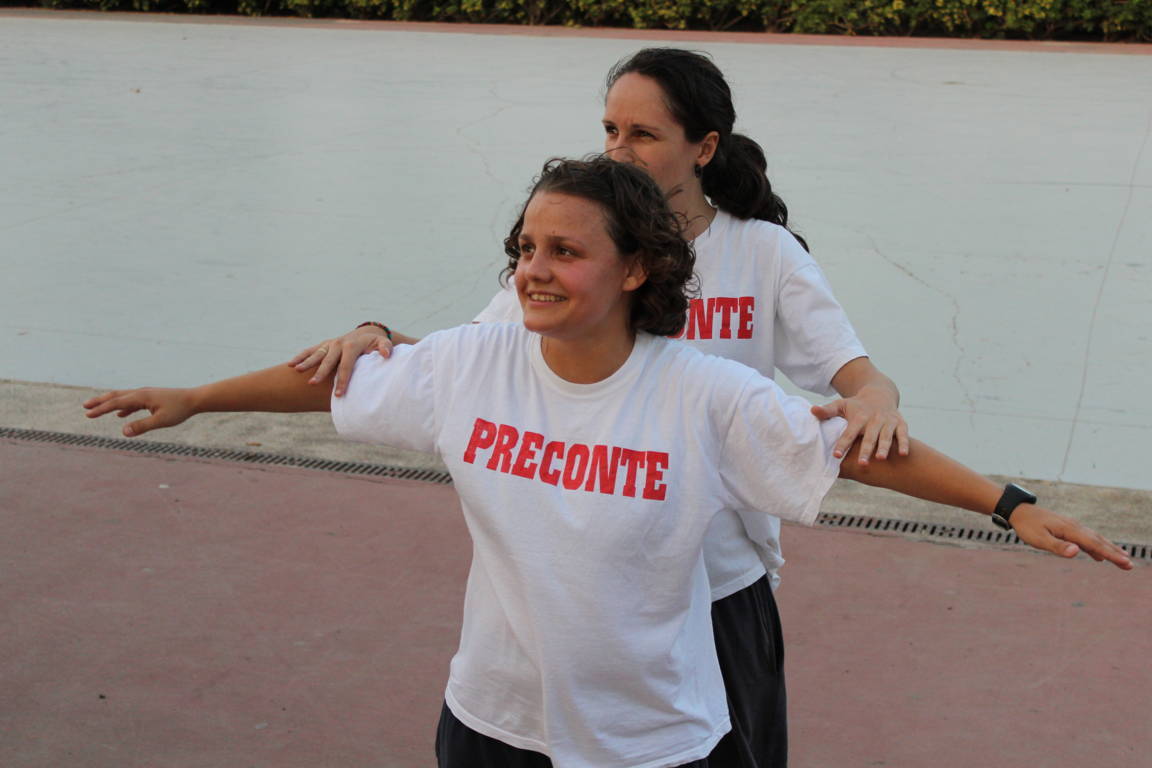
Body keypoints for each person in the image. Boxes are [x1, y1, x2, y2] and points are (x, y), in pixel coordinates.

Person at [85, 157, 1132, 768]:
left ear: (635, 269)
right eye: (526, 248)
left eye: (566, 251)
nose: (534, 271)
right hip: (492, 722)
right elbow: (335, 382)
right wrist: (196, 398)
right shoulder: (473, 362)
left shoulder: (702, 394)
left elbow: (855, 454)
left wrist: (1009, 504)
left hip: (652, 741)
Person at [290, 47, 905, 766]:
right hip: (611, 595)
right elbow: (475, 359)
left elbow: (861, 379)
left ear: (705, 147)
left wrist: (877, 404)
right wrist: (377, 336)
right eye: (611, 130)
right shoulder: (578, 249)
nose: (619, 149)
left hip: (718, 588)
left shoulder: (763, 253)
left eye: (643, 134)